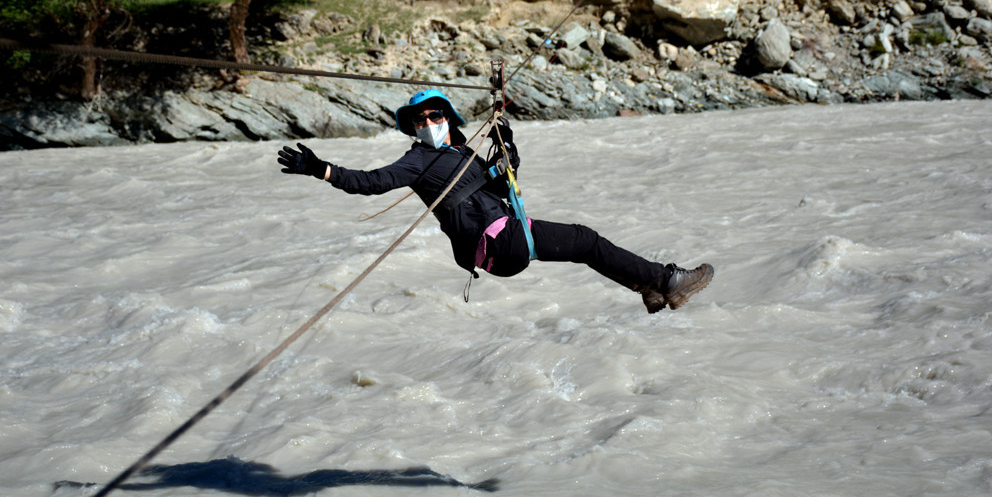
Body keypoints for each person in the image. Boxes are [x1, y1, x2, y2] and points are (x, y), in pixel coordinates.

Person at [277, 89, 714, 314]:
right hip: (500, 244)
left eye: (436, 115)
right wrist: (321, 169)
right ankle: (665, 280)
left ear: (449, 118)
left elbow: (502, 189)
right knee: (586, 240)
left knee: (586, 244)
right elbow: (369, 182)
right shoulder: (417, 161)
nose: (428, 123)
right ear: (412, 127)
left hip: (508, 236)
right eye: (420, 119)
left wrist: (507, 151)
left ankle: (653, 289)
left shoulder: (462, 155)